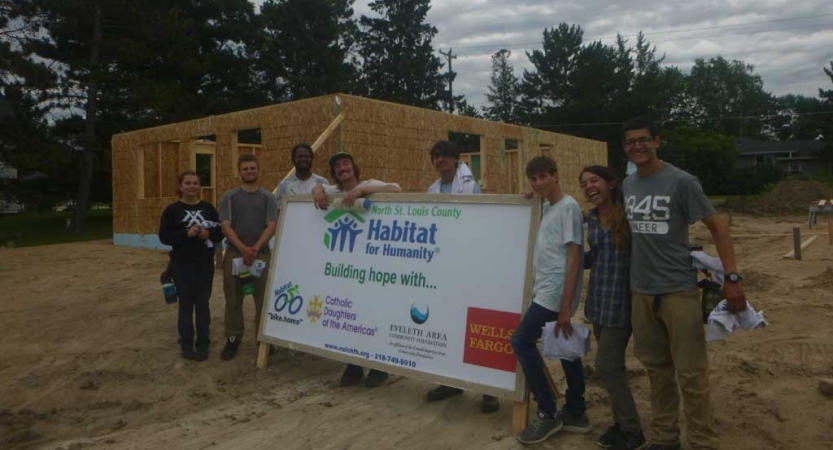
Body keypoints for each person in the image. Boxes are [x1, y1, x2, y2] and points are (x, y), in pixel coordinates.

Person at [621, 116, 746, 450]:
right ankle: (664, 438)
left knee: (691, 374)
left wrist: (731, 277)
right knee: (657, 371)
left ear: (657, 141)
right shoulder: (628, 185)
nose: (637, 146)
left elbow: (718, 227)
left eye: (643, 139)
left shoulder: (681, 182)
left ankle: (703, 442)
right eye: (630, 142)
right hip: (641, 292)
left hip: (678, 290)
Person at [511, 156, 589, 445]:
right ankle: (577, 411)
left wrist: (566, 306)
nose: (538, 182)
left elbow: (574, 258)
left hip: (555, 291)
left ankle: (547, 410)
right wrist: (533, 197)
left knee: (521, 341)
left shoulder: (568, 208)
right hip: (546, 287)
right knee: (565, 345)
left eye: (543, 176)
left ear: (556, 175)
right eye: (533, 178)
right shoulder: (546, 206)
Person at [313, 152, 402, 388]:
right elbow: (318, 187)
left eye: (346, 164)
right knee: (351, 315)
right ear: (334, 174)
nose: (343, 168)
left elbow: (397, 189)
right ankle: (354, 366)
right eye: (338, 167)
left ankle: (378, 368)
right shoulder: (334, 193)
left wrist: (361, 193)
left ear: (354, 167)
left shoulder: (368, 185)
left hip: (372, 264)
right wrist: (318, 192)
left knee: (373, 313)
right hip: (348, 267)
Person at [421, 140, 497, 413]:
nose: (438, 160)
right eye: (434, 157)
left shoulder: (470, 186)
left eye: (442, 156)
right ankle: (451, 381)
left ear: (455, 159)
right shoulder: (432, 190)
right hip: (444, 264)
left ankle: (490, 388)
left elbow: (475, 222)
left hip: (470, 263)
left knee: (475, 324)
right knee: (447, 324)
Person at [579, 165, 646, 450]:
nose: (588, 186)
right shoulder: (590, 219)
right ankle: (620, 425)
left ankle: (633, 432)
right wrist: (567, 258)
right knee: (614, 367)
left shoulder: (629, 216)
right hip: (598, 302)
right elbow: (595, 257)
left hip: (622, 303)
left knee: (605, 365)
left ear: (611, 183)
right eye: (584, 183)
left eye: (594, 180)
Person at [158, 170, 224, 361]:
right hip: (182, 265)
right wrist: (185, 235)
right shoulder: (172, 211)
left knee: (203, 305)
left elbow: (220, 232)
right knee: (186, 305)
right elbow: (164, 237)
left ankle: (203, 344)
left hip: (204, 264)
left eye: (195, 183)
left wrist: (208, 235)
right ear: (180, 186)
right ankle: (187, 344)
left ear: (199, 186)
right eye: (187, 183)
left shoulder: (208, 208)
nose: (192, 186)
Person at [218, 154, 279, 361]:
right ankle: (233, 338)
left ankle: (263, 340)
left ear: (258, 170)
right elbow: (225, 225)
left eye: (253, 168)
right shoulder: (229, 197)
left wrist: (254, 248)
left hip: (260, 254)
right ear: (239, 172)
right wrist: (243, 249)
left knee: (263, 299)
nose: (249, 172)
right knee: (233, 299)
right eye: (245, 169)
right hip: (236, 254)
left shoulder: (268, 197)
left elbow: (272, 225)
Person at [274, 143, 329, 212]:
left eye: (306, 156)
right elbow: (278, 210)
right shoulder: (284, 185)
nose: (303, 159)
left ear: (311, 159)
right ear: (293, 160)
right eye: (299, 156)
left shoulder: (322, 182)